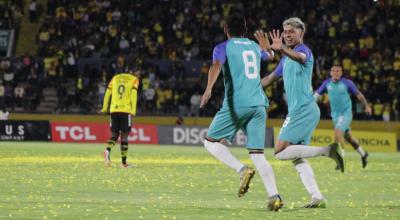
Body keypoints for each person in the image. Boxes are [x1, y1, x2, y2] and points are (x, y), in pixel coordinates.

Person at [200, 14, 283, 211]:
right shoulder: (254, 46)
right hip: (259, 104)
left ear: (225, 30)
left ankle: (242, 169)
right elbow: (271, 57)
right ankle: (274, 196)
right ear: (245, 30)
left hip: (237, 103)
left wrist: (209, 88)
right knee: (257, 154)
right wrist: (269, 47)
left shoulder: (223, 47)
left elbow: (216, 65)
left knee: (210, 141)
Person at [260, 17, 344, 208]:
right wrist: (249, 89)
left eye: (292, 31)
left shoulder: (303, 50)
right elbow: (270, 78)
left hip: (302, 110)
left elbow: (300, 58)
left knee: (280, 151)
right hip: (304, 110)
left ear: (301, 33)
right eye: (286, 31)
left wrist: (281, 49)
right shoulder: (284, 59)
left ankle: (327, 150)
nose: (288, 34)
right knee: (296, 158)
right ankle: (317, 197)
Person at [315, 65, 372, 168]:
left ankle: (340, 159)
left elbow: (358, 95)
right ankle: (363, 154)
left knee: (338, 134)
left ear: (341, 73)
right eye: (333, 70)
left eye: (338, 71)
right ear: (330, 73)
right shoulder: (327, 83)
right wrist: (309, 103)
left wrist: (366, 106)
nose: (336, 72)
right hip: (335, 116)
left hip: (346, 114)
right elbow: (317, 95)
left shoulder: (347, 83)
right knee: (349, 138)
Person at [101, 70, 139, 168]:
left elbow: (107, 92)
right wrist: (133, 110)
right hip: (125, 110)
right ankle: (124, 163)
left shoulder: (115, 78)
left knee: (114, 135)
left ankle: (107, 150)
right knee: (124, 137)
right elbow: (133, 95)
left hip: (113, 110)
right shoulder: (134, 80)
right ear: (132, 72)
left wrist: (105, 108)